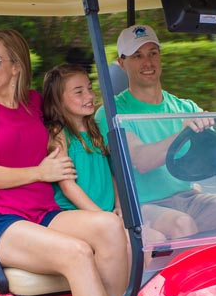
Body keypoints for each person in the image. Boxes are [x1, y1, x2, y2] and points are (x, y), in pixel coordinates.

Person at [0, 29, 129, 296]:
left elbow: (66, 101)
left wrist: (107, 95)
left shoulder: (32, 104)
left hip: (41, 211)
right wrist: (40, 172)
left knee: (112, 226)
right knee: (77, 252)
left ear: (16, 66)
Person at [94, 24, 216, 236]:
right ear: (122, 63)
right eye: (137, 56)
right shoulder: (112, 112)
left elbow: (215, 161)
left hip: (189, 198)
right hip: (142, 205)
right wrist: (180, 132)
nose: (148, 62)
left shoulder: (185, 107)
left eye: (153, 53)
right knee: (182, 224)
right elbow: (140, 161)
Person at [41, 64, 175, 242]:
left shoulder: (94, 129)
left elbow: (110, 173)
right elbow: (68, 187)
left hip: (107, 212)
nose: (89, 96)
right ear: (58, 99)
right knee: (150, 241)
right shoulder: (59, 134)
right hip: (80, 213)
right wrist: (103, 217)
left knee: (156, 239)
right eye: (79, 92)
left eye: (89, 88)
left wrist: (119, 205)